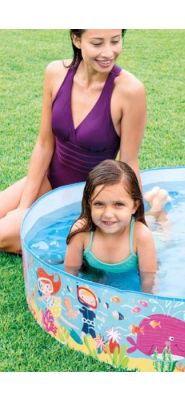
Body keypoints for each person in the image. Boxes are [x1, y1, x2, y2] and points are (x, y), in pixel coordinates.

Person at [0, 29, 164, 254]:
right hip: (49, 180)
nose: (108, 52)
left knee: (2, 234)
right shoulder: (55, 73)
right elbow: (44, 144)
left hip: (87, 200)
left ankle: (151, 213)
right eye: (97, 43)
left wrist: (138, 223)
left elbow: (128, 162)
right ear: (76, 39)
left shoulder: (129, 91)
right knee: (12, 219)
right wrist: (23, 207)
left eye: (115, 41)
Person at [64, 160, 157, 293]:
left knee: (158, 227)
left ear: (134, 206)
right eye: (99, 204)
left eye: (118, 204)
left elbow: (148, 281)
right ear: (89, 204)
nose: (108, 214)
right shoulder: (81, 232)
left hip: (152, 240)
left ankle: (157, 203)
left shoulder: (141, 236)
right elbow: (69, 274)